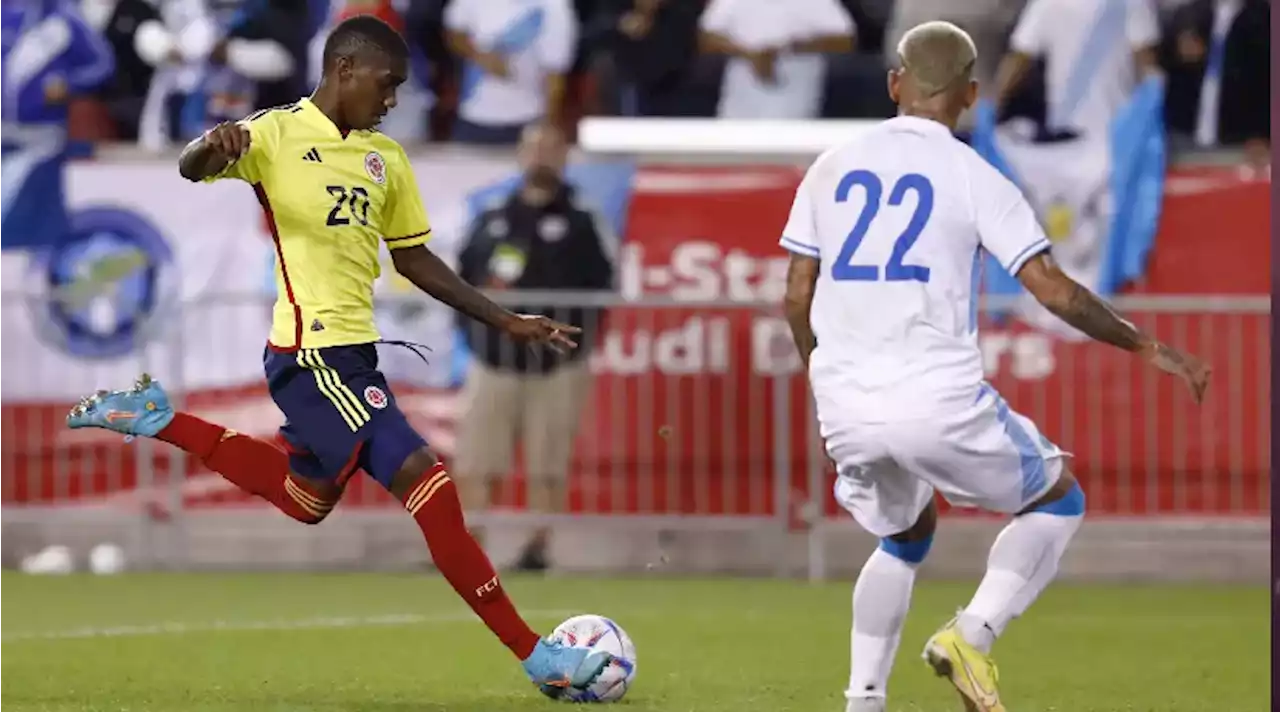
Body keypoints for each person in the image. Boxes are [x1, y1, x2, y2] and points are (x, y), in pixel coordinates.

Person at [65, 14, 611, 694]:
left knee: (305, 499)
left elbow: (413, 259)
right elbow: (191, 167)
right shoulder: (275, 132)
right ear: (343, 70)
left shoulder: (387, 158)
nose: (392, 101)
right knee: (429, 484)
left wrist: (506, 319)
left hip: (351, 358)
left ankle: (157, 418)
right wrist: (213, 143)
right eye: (386, 86)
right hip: (311, 354)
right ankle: (540, 657)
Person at [779, 21, 1210, 712]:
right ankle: (971, 635)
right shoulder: (977, 176)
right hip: (935, 394)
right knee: (1059, 496)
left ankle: (863, 699)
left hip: (848, 400)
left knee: (904, 535)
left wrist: (821, 376)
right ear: (972, 96)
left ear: (896, 84)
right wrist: (1148, 347)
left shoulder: (829, 166)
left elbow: (797, 292)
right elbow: (1051, 288)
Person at [453, 122, 616, 572]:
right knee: (476, 460)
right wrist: (477, 336)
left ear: (565, 156)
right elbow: (461, 279)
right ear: (520, 156)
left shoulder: (584, 220)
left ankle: (537, 548)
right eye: (533, 147)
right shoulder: (492, 216)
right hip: (494, 360)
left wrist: (574, 345)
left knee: (548, 463)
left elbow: (604, 287)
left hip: (556, 367)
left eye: (551, 146)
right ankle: (468, 548)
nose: (541, 155)